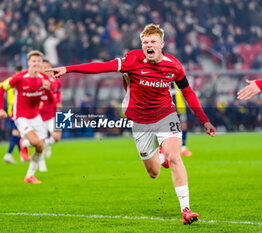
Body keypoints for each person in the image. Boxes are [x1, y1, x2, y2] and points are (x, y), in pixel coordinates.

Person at [47, 24, 216, 225]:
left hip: (166, 116)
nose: (149, 45)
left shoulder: (174, 66)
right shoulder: (132, 60)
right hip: (140, 121)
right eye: (145, 42)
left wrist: (204, 120)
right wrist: (67, 69)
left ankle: (186, 209)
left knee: (174, 156)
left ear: (162, 44)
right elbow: (101, 67)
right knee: (153, 173)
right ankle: (160, 155)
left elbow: (187, 92)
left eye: (153, 42)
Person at [0, 50, 54, 184]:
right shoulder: (19, 77)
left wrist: (48, 89)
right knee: (35, 142)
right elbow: (1, 89)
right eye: (33, 61)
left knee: (41, 147)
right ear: (28, 63)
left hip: (36, 116)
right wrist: (0, 109)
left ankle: (29, 176)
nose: (36, 64)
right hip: (21, 116)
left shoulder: (44, 78)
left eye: (39, 61)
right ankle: (23, 143)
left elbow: (51, 100)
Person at [0, 64, 29, 163]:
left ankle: (21, 155)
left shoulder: (12, 79)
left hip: (18, 111)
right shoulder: (15, 80)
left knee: (19, 134)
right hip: (16, 112)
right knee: (17, 133)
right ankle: (9, 154)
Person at [37, 59, 62, 171]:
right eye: (44, 67)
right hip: (39, 115)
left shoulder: (55, 80)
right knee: (39, 142)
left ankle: (47, 144)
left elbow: (58, 92)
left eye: (48, 67)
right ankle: (41, 163)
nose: (46, 70)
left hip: (51, 113)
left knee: (57, 137)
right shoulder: (37, 80)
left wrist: (59, 102)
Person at [170, 83, 192, 156]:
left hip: (180, 107)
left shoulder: (177, 80)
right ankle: (166, 150)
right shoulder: (164, 81)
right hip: (169, 108)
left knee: (183, 127)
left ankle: (183, 148)